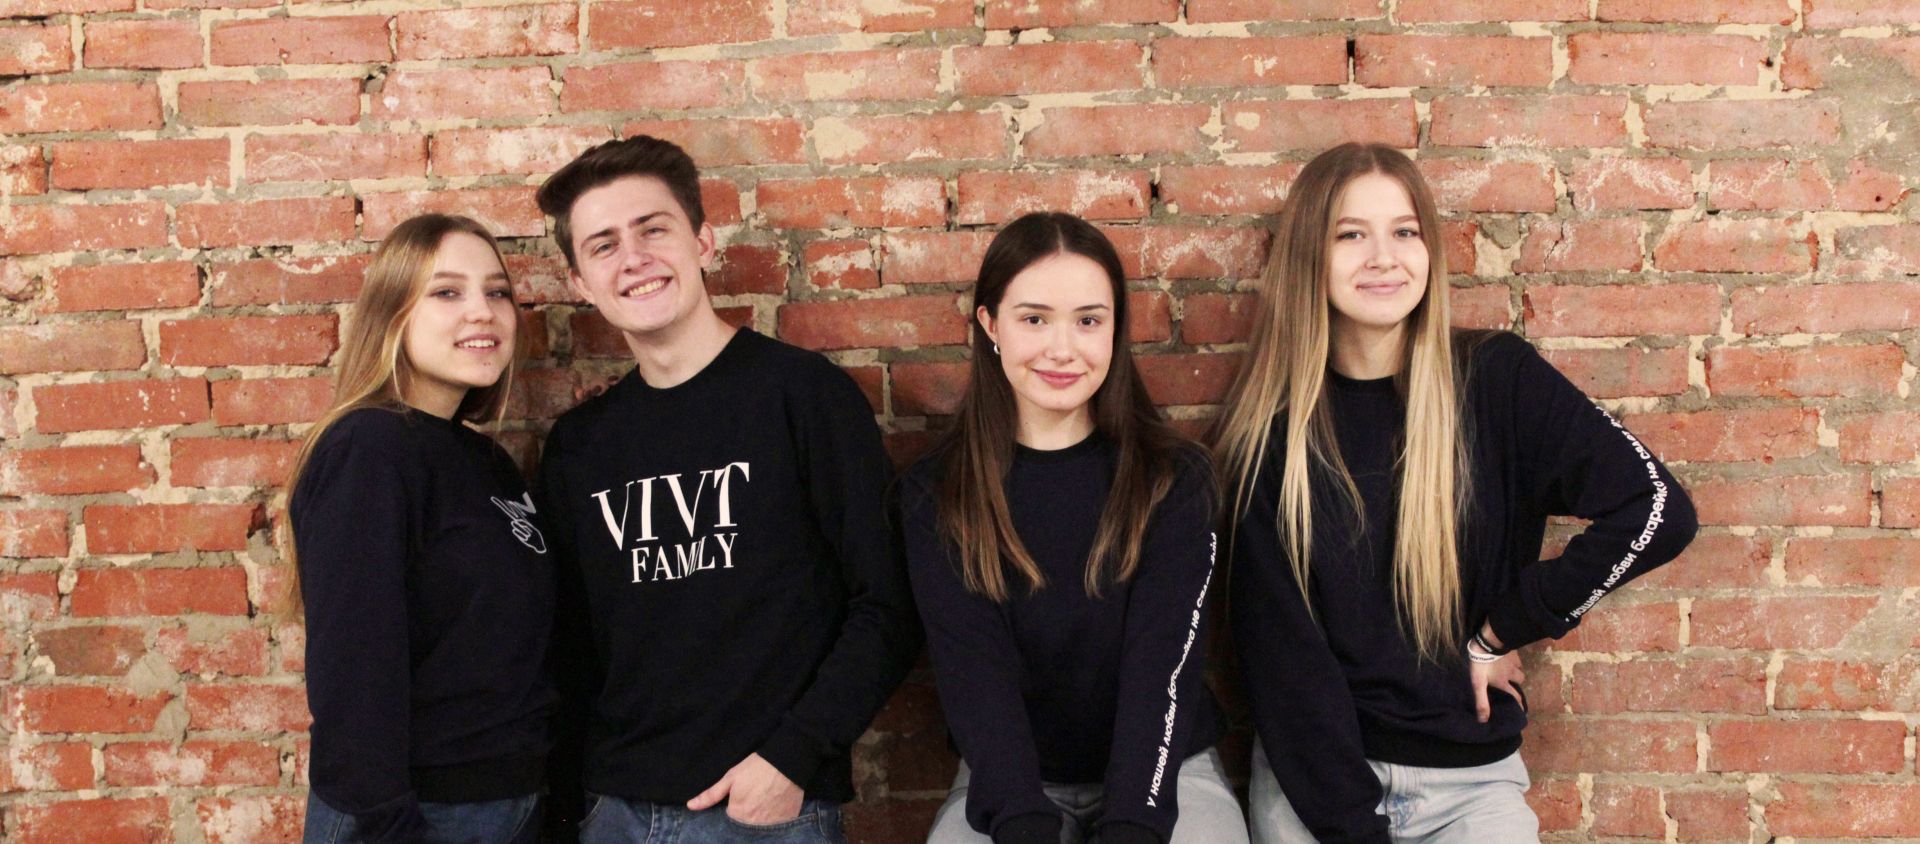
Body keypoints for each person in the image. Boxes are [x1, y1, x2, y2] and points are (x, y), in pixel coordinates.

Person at [1212, 144, 1698, 844]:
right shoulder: (1267, 434)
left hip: (1471, 785)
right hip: (1315, 789)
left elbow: (1658, 511)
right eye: (1351, 235)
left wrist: (1506, 625)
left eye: (1405, 232)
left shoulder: (1497, 381)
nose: (1384, 257)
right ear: (1307, 257)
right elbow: (1286, 673)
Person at [533, 135, 921, 843]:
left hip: (762, 814)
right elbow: (571, 651)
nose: (634, 258)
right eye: (604, 245)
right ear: (581, 284)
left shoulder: (803, 397)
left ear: (703, 242)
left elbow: (888, 603)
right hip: (612, 811)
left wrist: (792, 758)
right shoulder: (577, 447)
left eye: (653, 229)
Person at [899, 212, 1248, 844]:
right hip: (1009, 782)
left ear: (1116, 328)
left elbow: (1163, 671)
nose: (1062, 349)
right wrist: (1022, 823)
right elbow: (974, 677)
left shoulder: (1174, 478)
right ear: (990, 325)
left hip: (1166, 771)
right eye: (1034, 319)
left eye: (1088, 321)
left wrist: (1133, 826)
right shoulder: (938, 492)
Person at [289, 214, 554, 844]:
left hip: (506, 806)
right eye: (447, 292)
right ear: (393, 315)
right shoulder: (368, 449)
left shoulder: (486, 460)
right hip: (420, 815)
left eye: (497, 292)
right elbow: (353, 670)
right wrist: (391, 826)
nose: (482, 311)